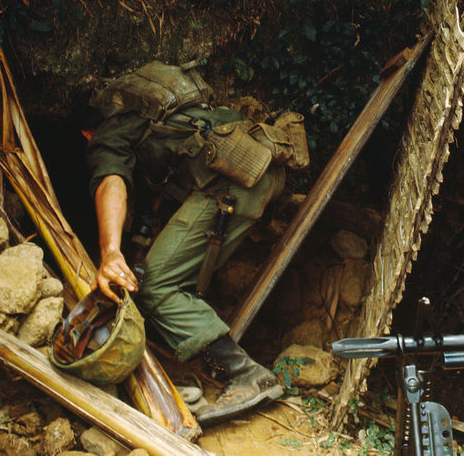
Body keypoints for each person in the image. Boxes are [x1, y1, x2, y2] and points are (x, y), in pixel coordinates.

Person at [84, 61, 307, 424]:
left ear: (86, 132)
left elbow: (112, 181)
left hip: (233, 183)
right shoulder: (166, 120)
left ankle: (245, 374)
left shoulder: (110, 134)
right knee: (162, 273)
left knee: (158, 285)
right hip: (262, 168)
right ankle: (200, 359)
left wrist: (110, 253)